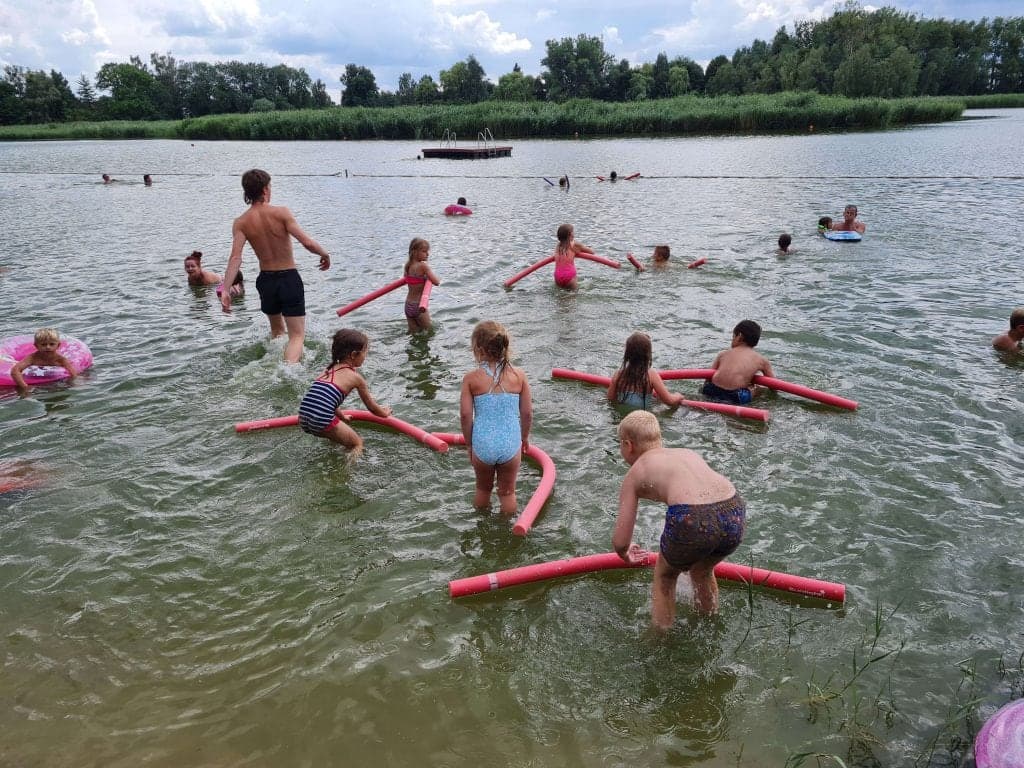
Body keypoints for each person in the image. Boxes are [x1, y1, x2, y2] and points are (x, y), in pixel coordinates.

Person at [612, 411, 746, 626]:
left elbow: (620, 541)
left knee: (665, 577)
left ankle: (660, 644)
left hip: (693, 515)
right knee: (702, 570)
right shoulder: (686, 453)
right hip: (733, 509)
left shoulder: (636, 473)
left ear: (628, 445)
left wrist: (625, 554)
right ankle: (709, 623)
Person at [221, 168, 331, 363]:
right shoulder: (281, 213)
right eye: (270, 187)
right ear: (265, 190)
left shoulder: (241, 222)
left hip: (266, 281)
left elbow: (235, 258)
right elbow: (307, 242)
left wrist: (226, 289)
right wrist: (324, 254)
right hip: (288, 278)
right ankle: (289, 371)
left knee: (277, 331)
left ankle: (277, 362)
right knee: (297, 336)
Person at [459, 321, 533, 516]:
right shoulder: (519, 375)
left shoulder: (471, 378)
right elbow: (527, 413)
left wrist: (469, 445)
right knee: (508, 493)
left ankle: (482, 526)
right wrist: (524, 438)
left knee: (482, 490)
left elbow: (466, 416)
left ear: (479, 349)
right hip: (510, 442)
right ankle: (507, 535)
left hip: (483, 443)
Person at [297, 329, 391, 456]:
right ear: (353, 355)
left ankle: (333, 456)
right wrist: (385, 413)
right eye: (365, 352)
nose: (365, 356)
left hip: (303, 418)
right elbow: (372, 407)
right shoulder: (356, 378)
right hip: (321, 419)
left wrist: (341, 416)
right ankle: (344, 475)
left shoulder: (326, 371)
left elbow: (324, 400)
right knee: (357, 444)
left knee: (334, 436)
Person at [701, 320, 774, 405]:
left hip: (710, 390)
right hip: (736, 397)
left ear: (739, 336)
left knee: (708, 386)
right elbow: (773, 385)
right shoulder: (762, 360)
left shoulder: (723, 354)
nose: (732, 340)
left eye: (733, 336)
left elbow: (708, 378)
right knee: (757, 389)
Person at [608, 332, 685, 409]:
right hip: (643, 419)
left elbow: (610, 399)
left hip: (623, 419)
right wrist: (678, 396)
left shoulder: (618, 374)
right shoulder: (651, 375)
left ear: (627, 353)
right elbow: (670, 401)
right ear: (647, 354)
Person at [10, 328, 78, 397]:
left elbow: (73, 374)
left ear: (58, 345)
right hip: (35, 386)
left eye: (51, 344)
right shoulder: (32, 358)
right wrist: (25, 387)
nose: (48, 347)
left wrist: (71, 384)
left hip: (56, 383)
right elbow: (15, 370)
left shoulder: (61, 360)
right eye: (43, 344)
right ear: (36, 346)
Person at [403, 237, 441, 332]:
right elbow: (436, 282)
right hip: (419, 306)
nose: (427, 254)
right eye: (424, 251)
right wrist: (428, 277)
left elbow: (409, 279)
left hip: (408, 306)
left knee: (414, 334)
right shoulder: (423, 266)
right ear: (415, 252)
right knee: (429, 332)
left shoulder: (407, 266)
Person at [553, 223, 595, 290]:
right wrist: (579, 251)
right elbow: (592, 252)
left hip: (557, 276)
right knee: (573, 297)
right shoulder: (574, 245)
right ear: (570, 234)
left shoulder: (558, 246)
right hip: (569, 276)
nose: (574, 233)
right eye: (573, 231)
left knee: (560, 297)